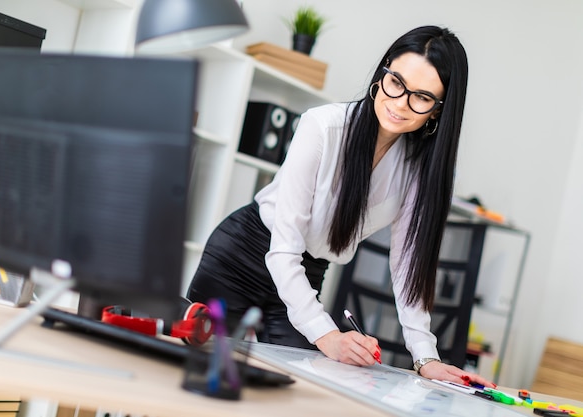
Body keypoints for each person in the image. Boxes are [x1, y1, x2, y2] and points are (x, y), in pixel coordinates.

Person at [187, 25, 495, 387]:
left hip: (308, 273)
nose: (400, 103)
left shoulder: (420, 170)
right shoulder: (322, 126)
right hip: (244, 255)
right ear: (382, 73)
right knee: (196, 374)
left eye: (422, 97)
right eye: (396, 82)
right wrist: (328, 336)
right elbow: (283, 250)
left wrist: (425, 357)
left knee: (295, 391)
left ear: (439, 111)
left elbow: (408, 266)